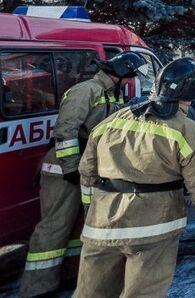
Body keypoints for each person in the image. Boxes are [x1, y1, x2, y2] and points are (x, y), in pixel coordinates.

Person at [74, 58, 195, 297]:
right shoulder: (188, 130)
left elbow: (87, 172)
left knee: (90, 292)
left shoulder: (112, 120)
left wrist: (90, 209)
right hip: (154, 227)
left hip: (102, 225)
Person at [19, 52, 143, 298]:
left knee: (78, 227)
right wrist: (70, 168)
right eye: (128, 76)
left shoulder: (108, 93)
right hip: (63, 169)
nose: (129, 81)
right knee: (56, 225)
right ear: (118, 75)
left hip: (85, 168)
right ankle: (36, 287)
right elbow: (66, 130)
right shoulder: (85, 91)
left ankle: (69, 275)